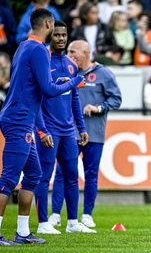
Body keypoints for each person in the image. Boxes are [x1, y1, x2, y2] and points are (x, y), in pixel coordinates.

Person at [0, 8, 84, 245]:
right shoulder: (39, 49)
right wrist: (75, 82)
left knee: (35, 174)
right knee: (8, 178)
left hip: (20, 117)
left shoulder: (24, 46)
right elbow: (47, 91)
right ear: (48, 24)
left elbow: (39, 83)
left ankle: (23, 233)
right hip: (20, 119)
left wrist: (59, 81)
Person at [48, 40, 122, 228]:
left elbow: (116, 99)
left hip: (94, 133)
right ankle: (55, 213)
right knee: (61, 173)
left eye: (73, 51)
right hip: (68, 132)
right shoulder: (66, 71)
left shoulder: (103, 74)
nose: (69, 54)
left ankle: (87, 214)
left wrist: (98, 107)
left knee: (91, 174)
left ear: (86, 53)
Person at [34, 20, 96, 234]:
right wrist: (41, 130)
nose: (60, 38)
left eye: (64, 35)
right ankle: (43, 223)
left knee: (71, 176)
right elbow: (37, 99)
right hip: (49, 130)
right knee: (44, 177)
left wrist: (81, 127)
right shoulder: (42, 60)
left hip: (69, 131)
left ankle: (72, 222)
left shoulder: (71, 64)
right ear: (49, 35)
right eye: (56, 35)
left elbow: (74, 97)